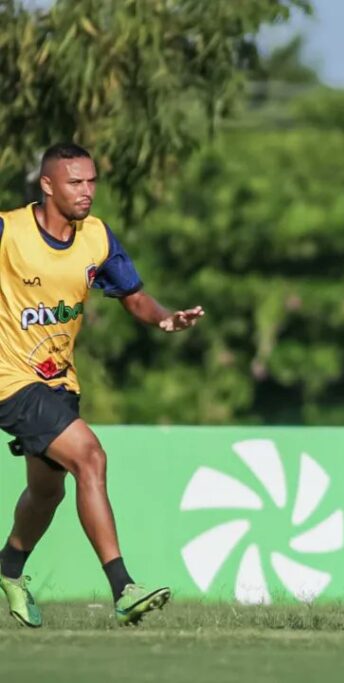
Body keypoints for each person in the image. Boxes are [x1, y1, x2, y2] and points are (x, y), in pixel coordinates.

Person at [0, 143, 204, 627]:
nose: (87, 191)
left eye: (92, 181)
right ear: (47, 185)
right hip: (10, 379)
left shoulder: (95, 237)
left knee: (48, 493)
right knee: (90, 455)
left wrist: (164, 319)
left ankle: (8, 570)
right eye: (76, 182)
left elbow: (132, 295)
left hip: (58, 381)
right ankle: (123, 588)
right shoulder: (8, 230)